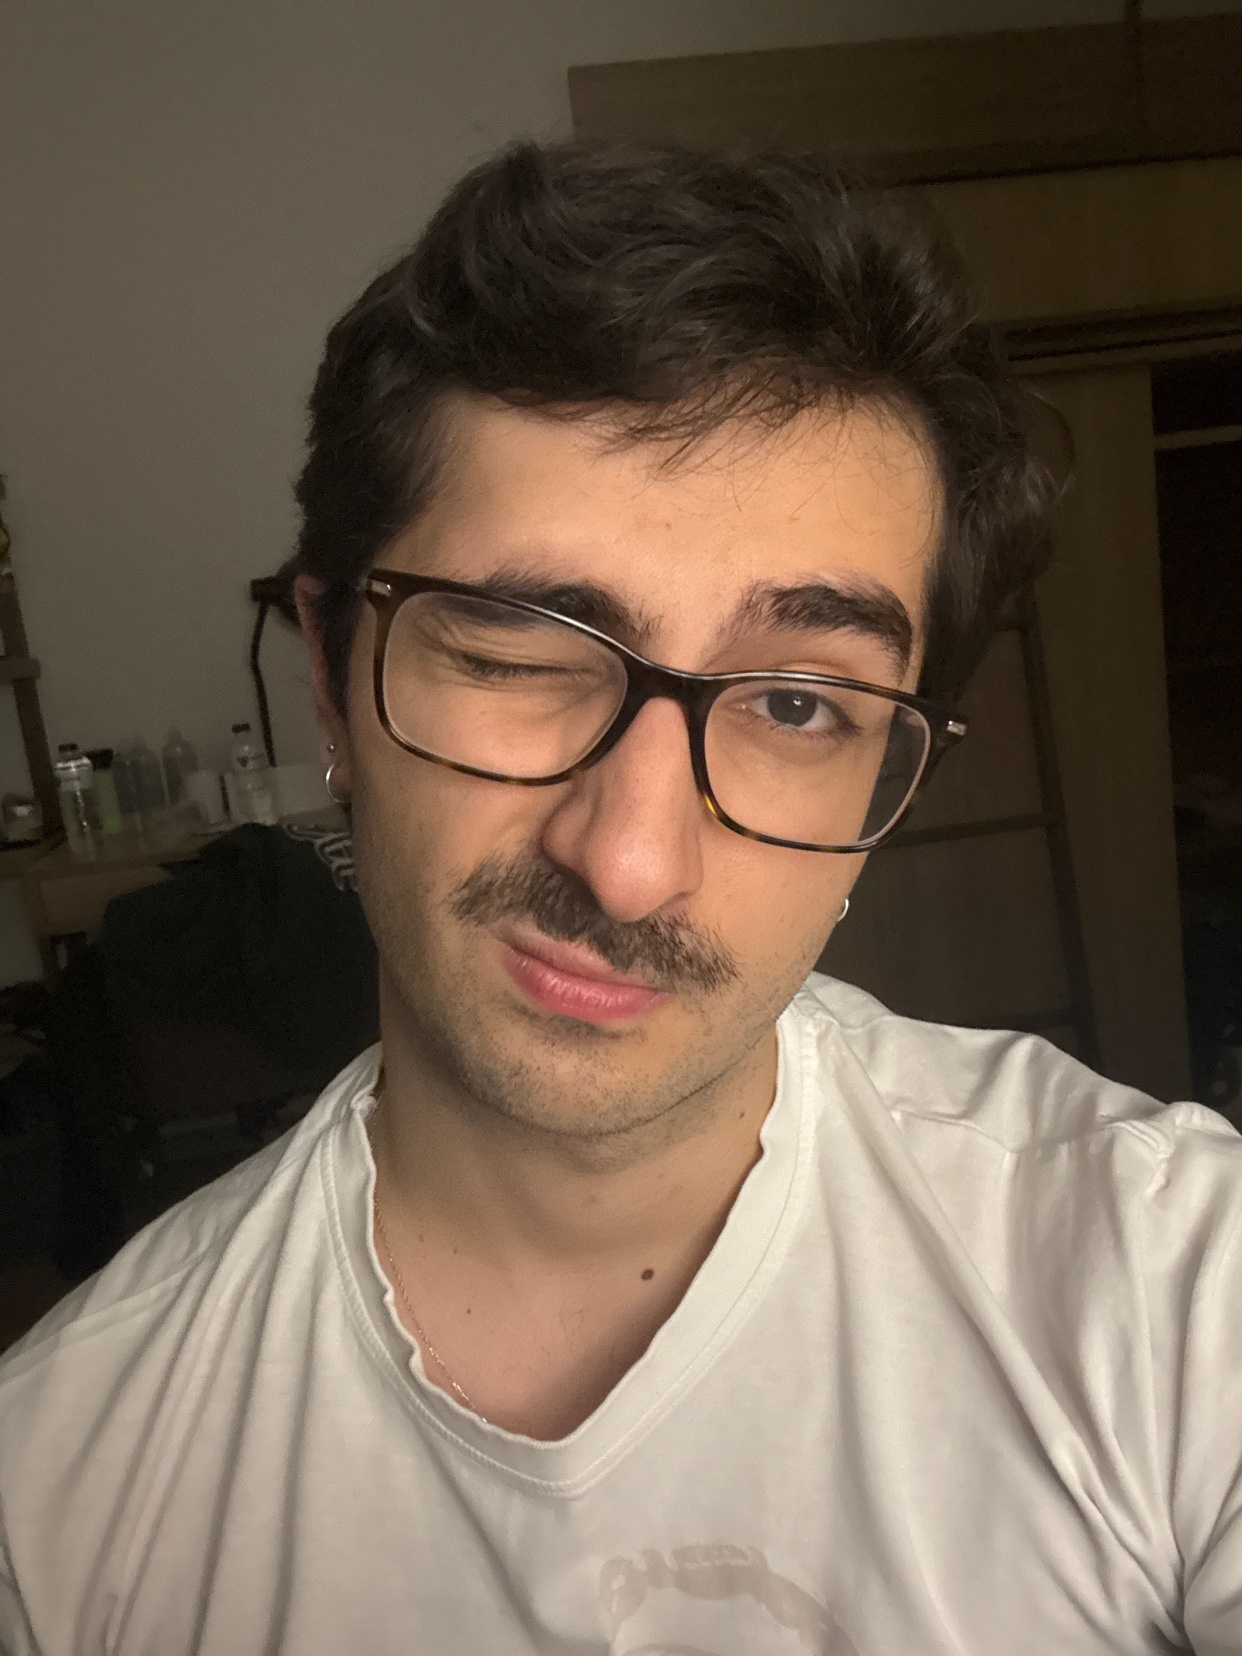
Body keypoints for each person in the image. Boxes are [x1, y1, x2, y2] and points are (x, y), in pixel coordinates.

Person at [1, 140, 1238, 1656]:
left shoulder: (1177, 1285)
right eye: (519, 651)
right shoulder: (58, 1501)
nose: (632, 858)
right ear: (329, 675)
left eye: (795, 704)